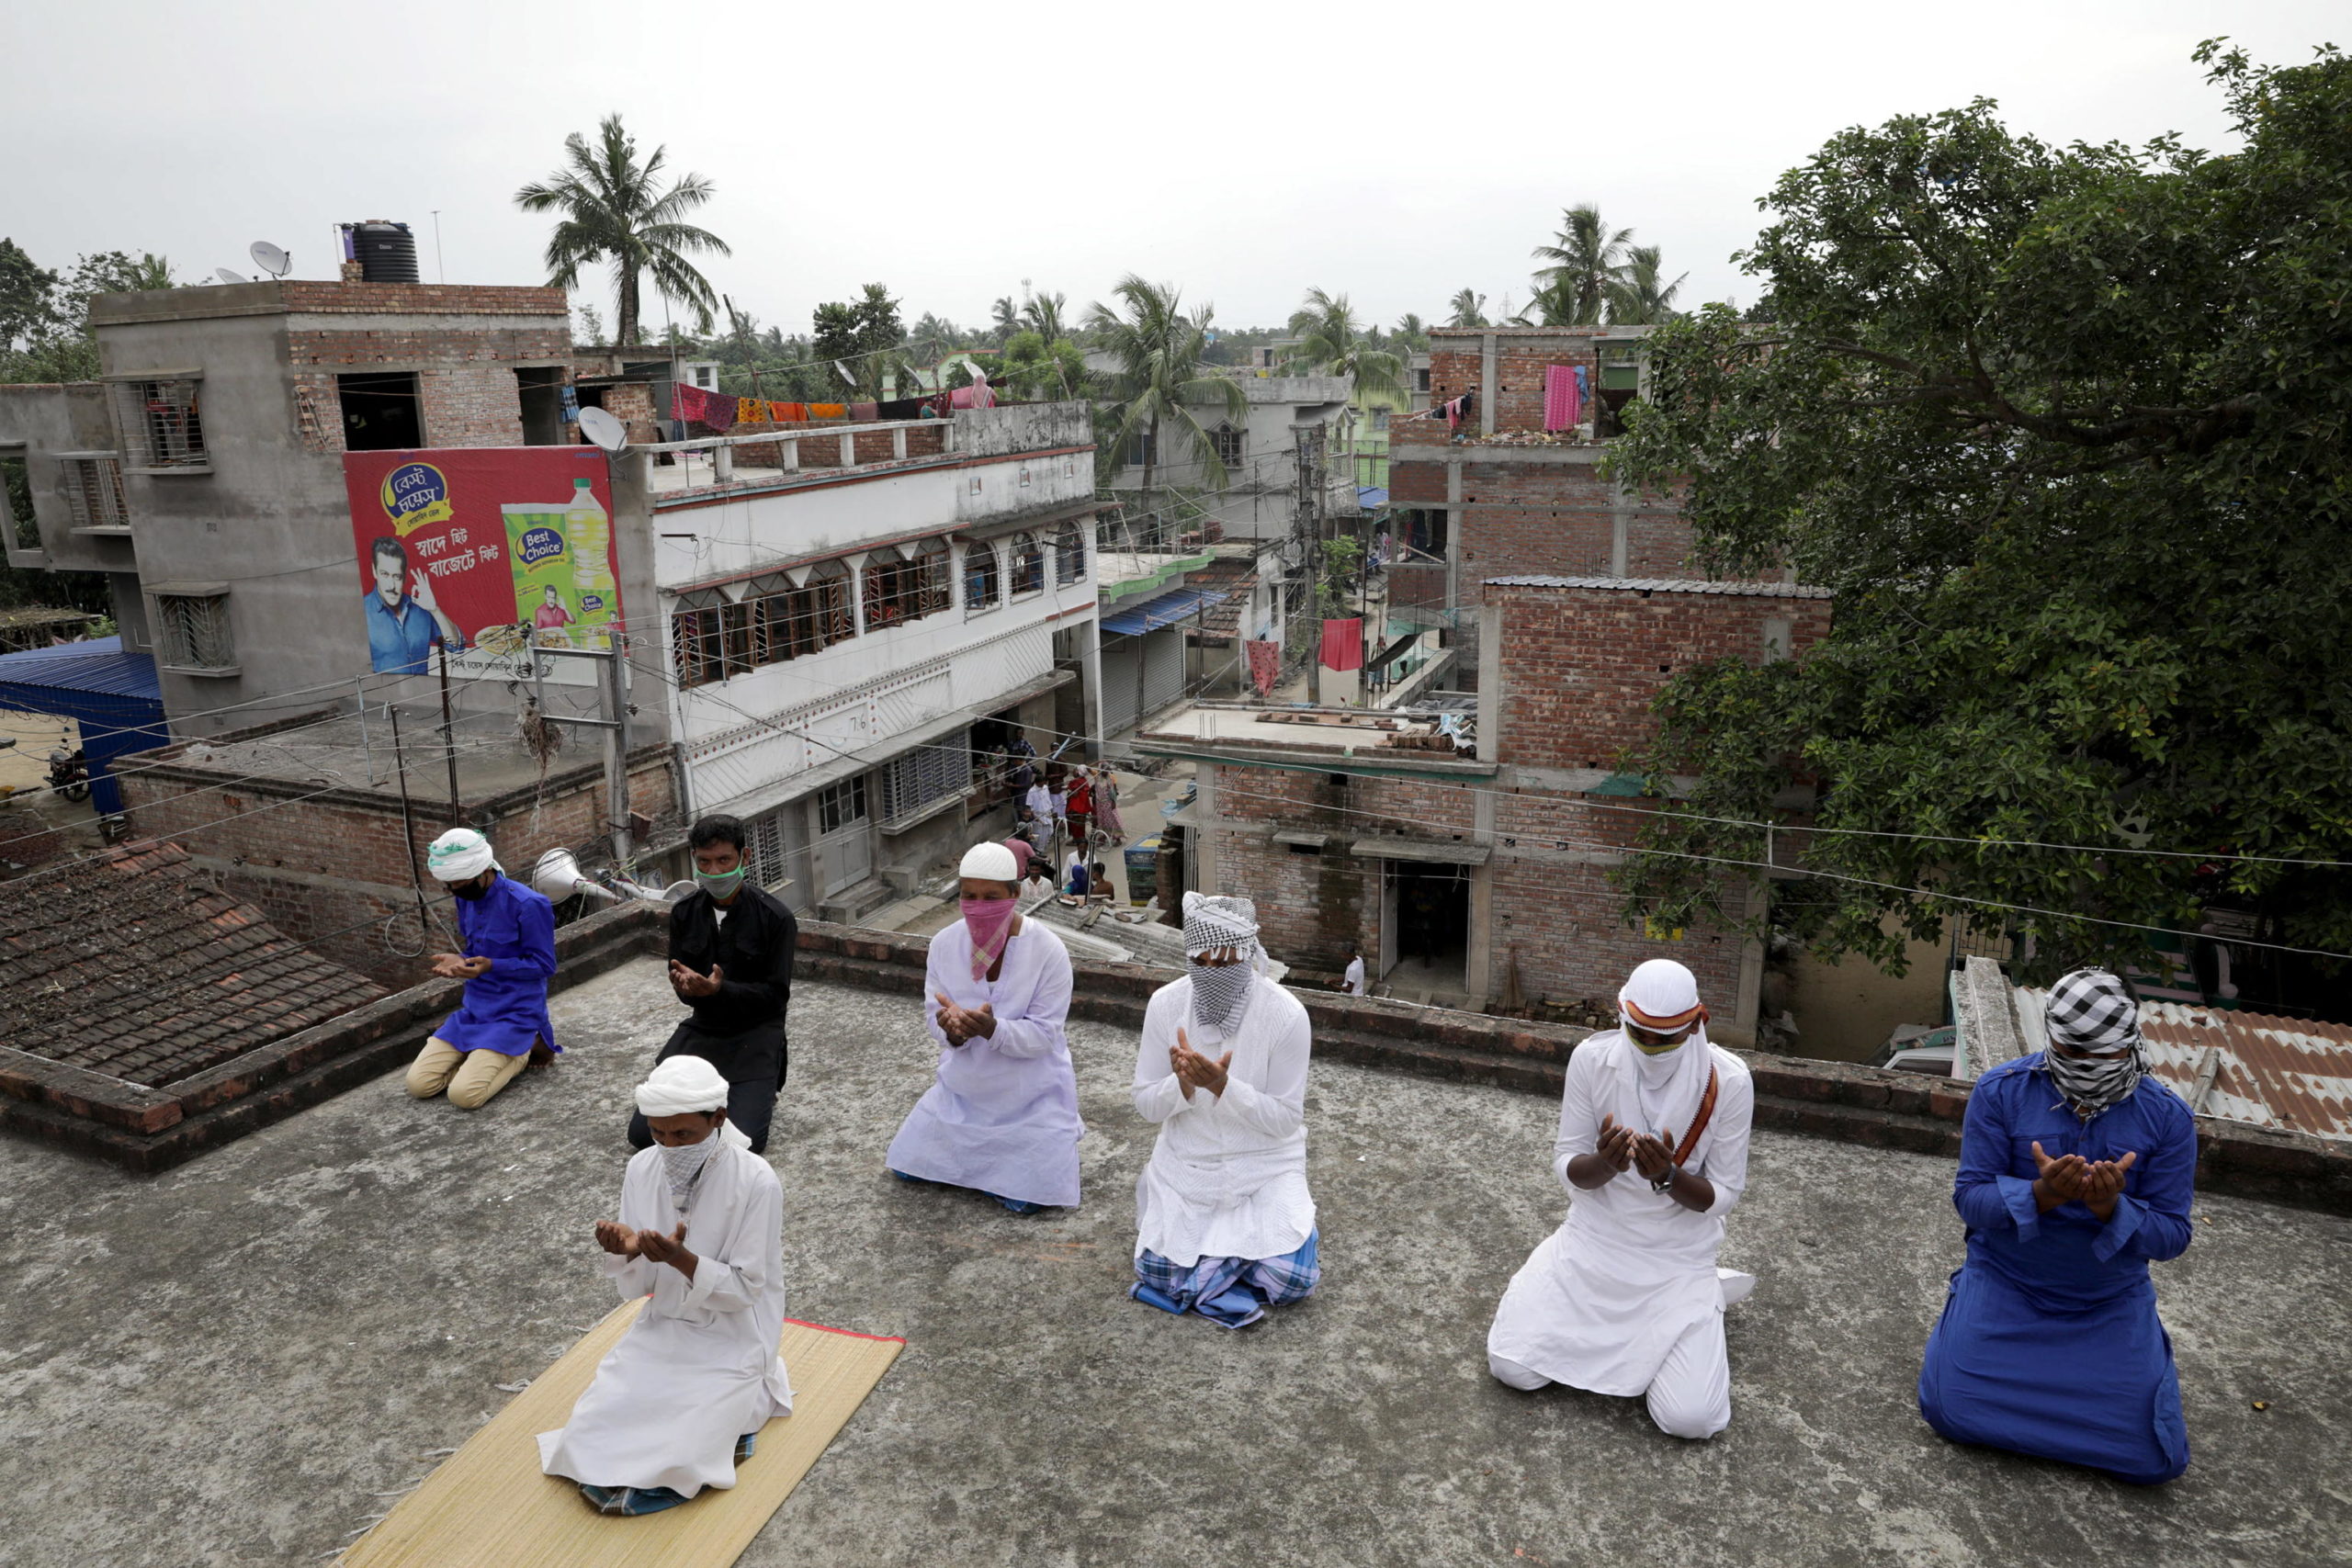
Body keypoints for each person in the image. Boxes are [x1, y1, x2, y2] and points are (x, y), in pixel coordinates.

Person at [1917, 968, 2195, 1484]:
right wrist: (2043, 1194)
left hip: (2106, 1299)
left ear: (2131, 1041)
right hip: (2009, 1282)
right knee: (1950, 1409)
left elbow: (2174, 1234)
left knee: (2155, 1455)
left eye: (2102, 1057)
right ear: (2051, 1039)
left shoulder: (2168, 1118)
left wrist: (2111, 1207)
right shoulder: (2000, 1092)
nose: (2085, 1067)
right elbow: (1971, 1200)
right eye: (2071, 1055)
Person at [1486, 959, 1756, 1440]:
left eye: (1666, 1038)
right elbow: (1567, 1163)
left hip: (1675, 1258)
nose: (1651, 1049)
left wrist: (1669, 1178)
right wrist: (1605, 1165)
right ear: (1621, 1016)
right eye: (1639, 1034)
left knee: (1690, 1420)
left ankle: (1701, 1302)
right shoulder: (1592, 1060)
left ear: (1697, 1022)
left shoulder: (1729, 1081)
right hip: (1594, 1242)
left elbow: (1723, 1197)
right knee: (1512, 1368)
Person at [539, 1056, 793, 1517]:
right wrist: (627, 1250)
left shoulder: (757, 1181)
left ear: (717, 1119)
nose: (669, 1146)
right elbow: (638, 1286)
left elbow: (747, 1289)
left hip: (732, 1335)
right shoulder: (642, 1167)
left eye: (683, 1135)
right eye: (658, 1133)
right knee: (594, 1424)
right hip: (665, 1325)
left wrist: (682, 1259)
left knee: (685, 1447)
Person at [1129, 893, 1320, 1328]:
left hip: (1264, 1165)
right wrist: (1182, 1084)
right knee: (1156, 1269)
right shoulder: (1165, 1005)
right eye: (1204, 962)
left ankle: (1212, 1274)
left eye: (1228, 963)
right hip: (1187, 1163)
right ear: (1190, 957)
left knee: (1294, 1281)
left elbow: (1286, 1120)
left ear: (1248, 955)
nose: (1214, 973)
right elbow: (1145, 1103)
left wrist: (1222, 1087)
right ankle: (1227, 1271)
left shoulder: (1286, 1015)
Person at [885, 842, 1081, 1213]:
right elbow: (934, 1016)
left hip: (1031, 1096)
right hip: (965, 1091)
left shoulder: (1049, 950)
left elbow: (1043, 1036)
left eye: (991, 897)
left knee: (1029, 1198)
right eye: (969, 896)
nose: (979, 905)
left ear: (1015, 893)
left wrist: (993, 1030)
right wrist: (952, 1031)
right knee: (907, 1167)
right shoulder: (944, 945)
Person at [627, 816, 797, 1156]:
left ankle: (761, 1087)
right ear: (695, 860)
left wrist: (720, 991)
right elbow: (680, 984)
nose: (715, 871)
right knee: (645, 1135)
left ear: (744, 857)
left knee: (744, 1145)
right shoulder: (684, 913)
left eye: (724, 860)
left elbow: (776, 997)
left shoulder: (776, 918)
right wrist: (688, 987)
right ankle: (720, 1096)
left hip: (756, 1035)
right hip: (702, 1032)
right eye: (704, 862)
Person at [404, 829, 558, 1111]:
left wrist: (492, 966)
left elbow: (545, 965)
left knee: (464, 1097)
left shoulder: (528, 904)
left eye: (459, 883)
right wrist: (461, 960)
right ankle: (479, 1058)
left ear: (484, 871)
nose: (454, 891)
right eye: (449, 885)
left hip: (516, 1013)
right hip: (476, 1009)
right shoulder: (466, 898)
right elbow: (476, 951)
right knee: (419, 1085)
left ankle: (527, 1047)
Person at [364, 536, 466, 675]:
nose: (391, 585)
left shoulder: (420, 608)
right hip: (383, 696)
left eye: (397, 576)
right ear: (374, 571)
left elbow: (456, 645)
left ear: (404, 577)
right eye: (385, 574)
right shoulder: (362, 612)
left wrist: (434, 610)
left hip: (425, 694)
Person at [1092, 765, 1126, 845]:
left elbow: (1113, 791)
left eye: (1107, 770)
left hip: (1108, 802)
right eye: (1104, 770)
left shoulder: (1111, 777)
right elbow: (1086, 768)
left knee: (1112, 820)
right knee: (1101, 821)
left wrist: (1113, 802)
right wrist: (1098, 762)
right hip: (1099, 803)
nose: (1106, 772)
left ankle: (1117, 838)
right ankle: (1103, 837)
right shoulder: (1097, 775)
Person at [1066, 767, 1094, 849]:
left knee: (1076, 824)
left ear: (1079, 772)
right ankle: (1080, 838)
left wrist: (1069, 790)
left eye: (1075, 770)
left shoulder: (1076, 782)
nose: (1073, 771)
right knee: (1081, 824)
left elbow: (1075, 794)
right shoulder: (1083, 780)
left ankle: (1077, 840)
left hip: (1077, 806)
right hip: (1083, 806)